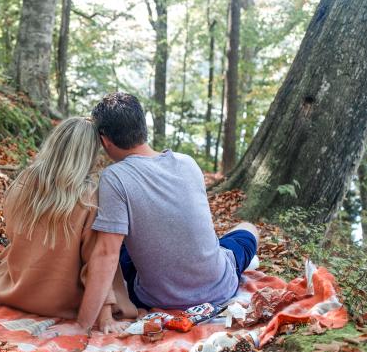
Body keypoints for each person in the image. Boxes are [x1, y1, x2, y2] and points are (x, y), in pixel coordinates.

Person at [59, 92, 260, 337]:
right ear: (143, 127)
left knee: (112, 243)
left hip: (156, 297)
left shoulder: (115, 177)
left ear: (105, 140)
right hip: (220, 286)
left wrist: (82, 325)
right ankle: (231, 259)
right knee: (248, 228)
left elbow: (105, 254)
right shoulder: (188, 163)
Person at [0, 117, 137, 335]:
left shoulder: (25, 179)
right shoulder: (89, 198)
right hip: (60, 302)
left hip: (15, 290)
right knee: (110, 247)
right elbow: (95, 263)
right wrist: (105, 318)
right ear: (89, 155)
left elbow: (12, 232)